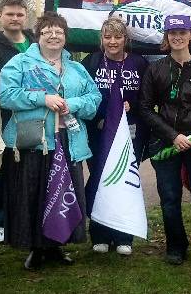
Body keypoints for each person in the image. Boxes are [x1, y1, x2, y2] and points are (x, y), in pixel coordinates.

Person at [0, 12, 101, 270]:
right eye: (48, 31)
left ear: (65, 37)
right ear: (38, 35)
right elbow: (7, 95)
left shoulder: (76, 69)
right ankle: (36, 247)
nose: (54, 36)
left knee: (65, 192)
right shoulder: (20, 63)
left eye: (59, 32)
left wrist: (71, 104)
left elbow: (94, 100)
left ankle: (57, 245)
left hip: (69, 141)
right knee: (33, 193)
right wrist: (43, 99)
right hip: (34, 142)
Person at [139, 14, 191, 270]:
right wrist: (172, 136)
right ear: (166, 36)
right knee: (170, 198)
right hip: (165, 144)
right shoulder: (155, 69)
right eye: (172, 33)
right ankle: (176, 246)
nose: (177, 37)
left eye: (182, 32)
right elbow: (145, 108)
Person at [81, 17, 149, 256]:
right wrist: (99, 116)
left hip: (130, 134)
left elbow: (147, 98)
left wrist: (135, 106)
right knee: (100, 179)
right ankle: (99, 233)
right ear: (101, 39)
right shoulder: (91, 62)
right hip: (98, 133)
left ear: (125, 39)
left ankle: (123, 236)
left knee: (123, 180)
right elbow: (84, 95)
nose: (112, 41)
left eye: (118, 37)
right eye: (108, 37)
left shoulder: (139, 63)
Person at [0, 0, 36, 243]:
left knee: (27, 167)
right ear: (0, 16)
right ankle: (0, 221)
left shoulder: (36, 42)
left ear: (26, 16)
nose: (15, 19)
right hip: (3, 116)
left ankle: (24, 217)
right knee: (1, 169)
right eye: (10, 14)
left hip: (34, 114)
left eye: (19, 14)